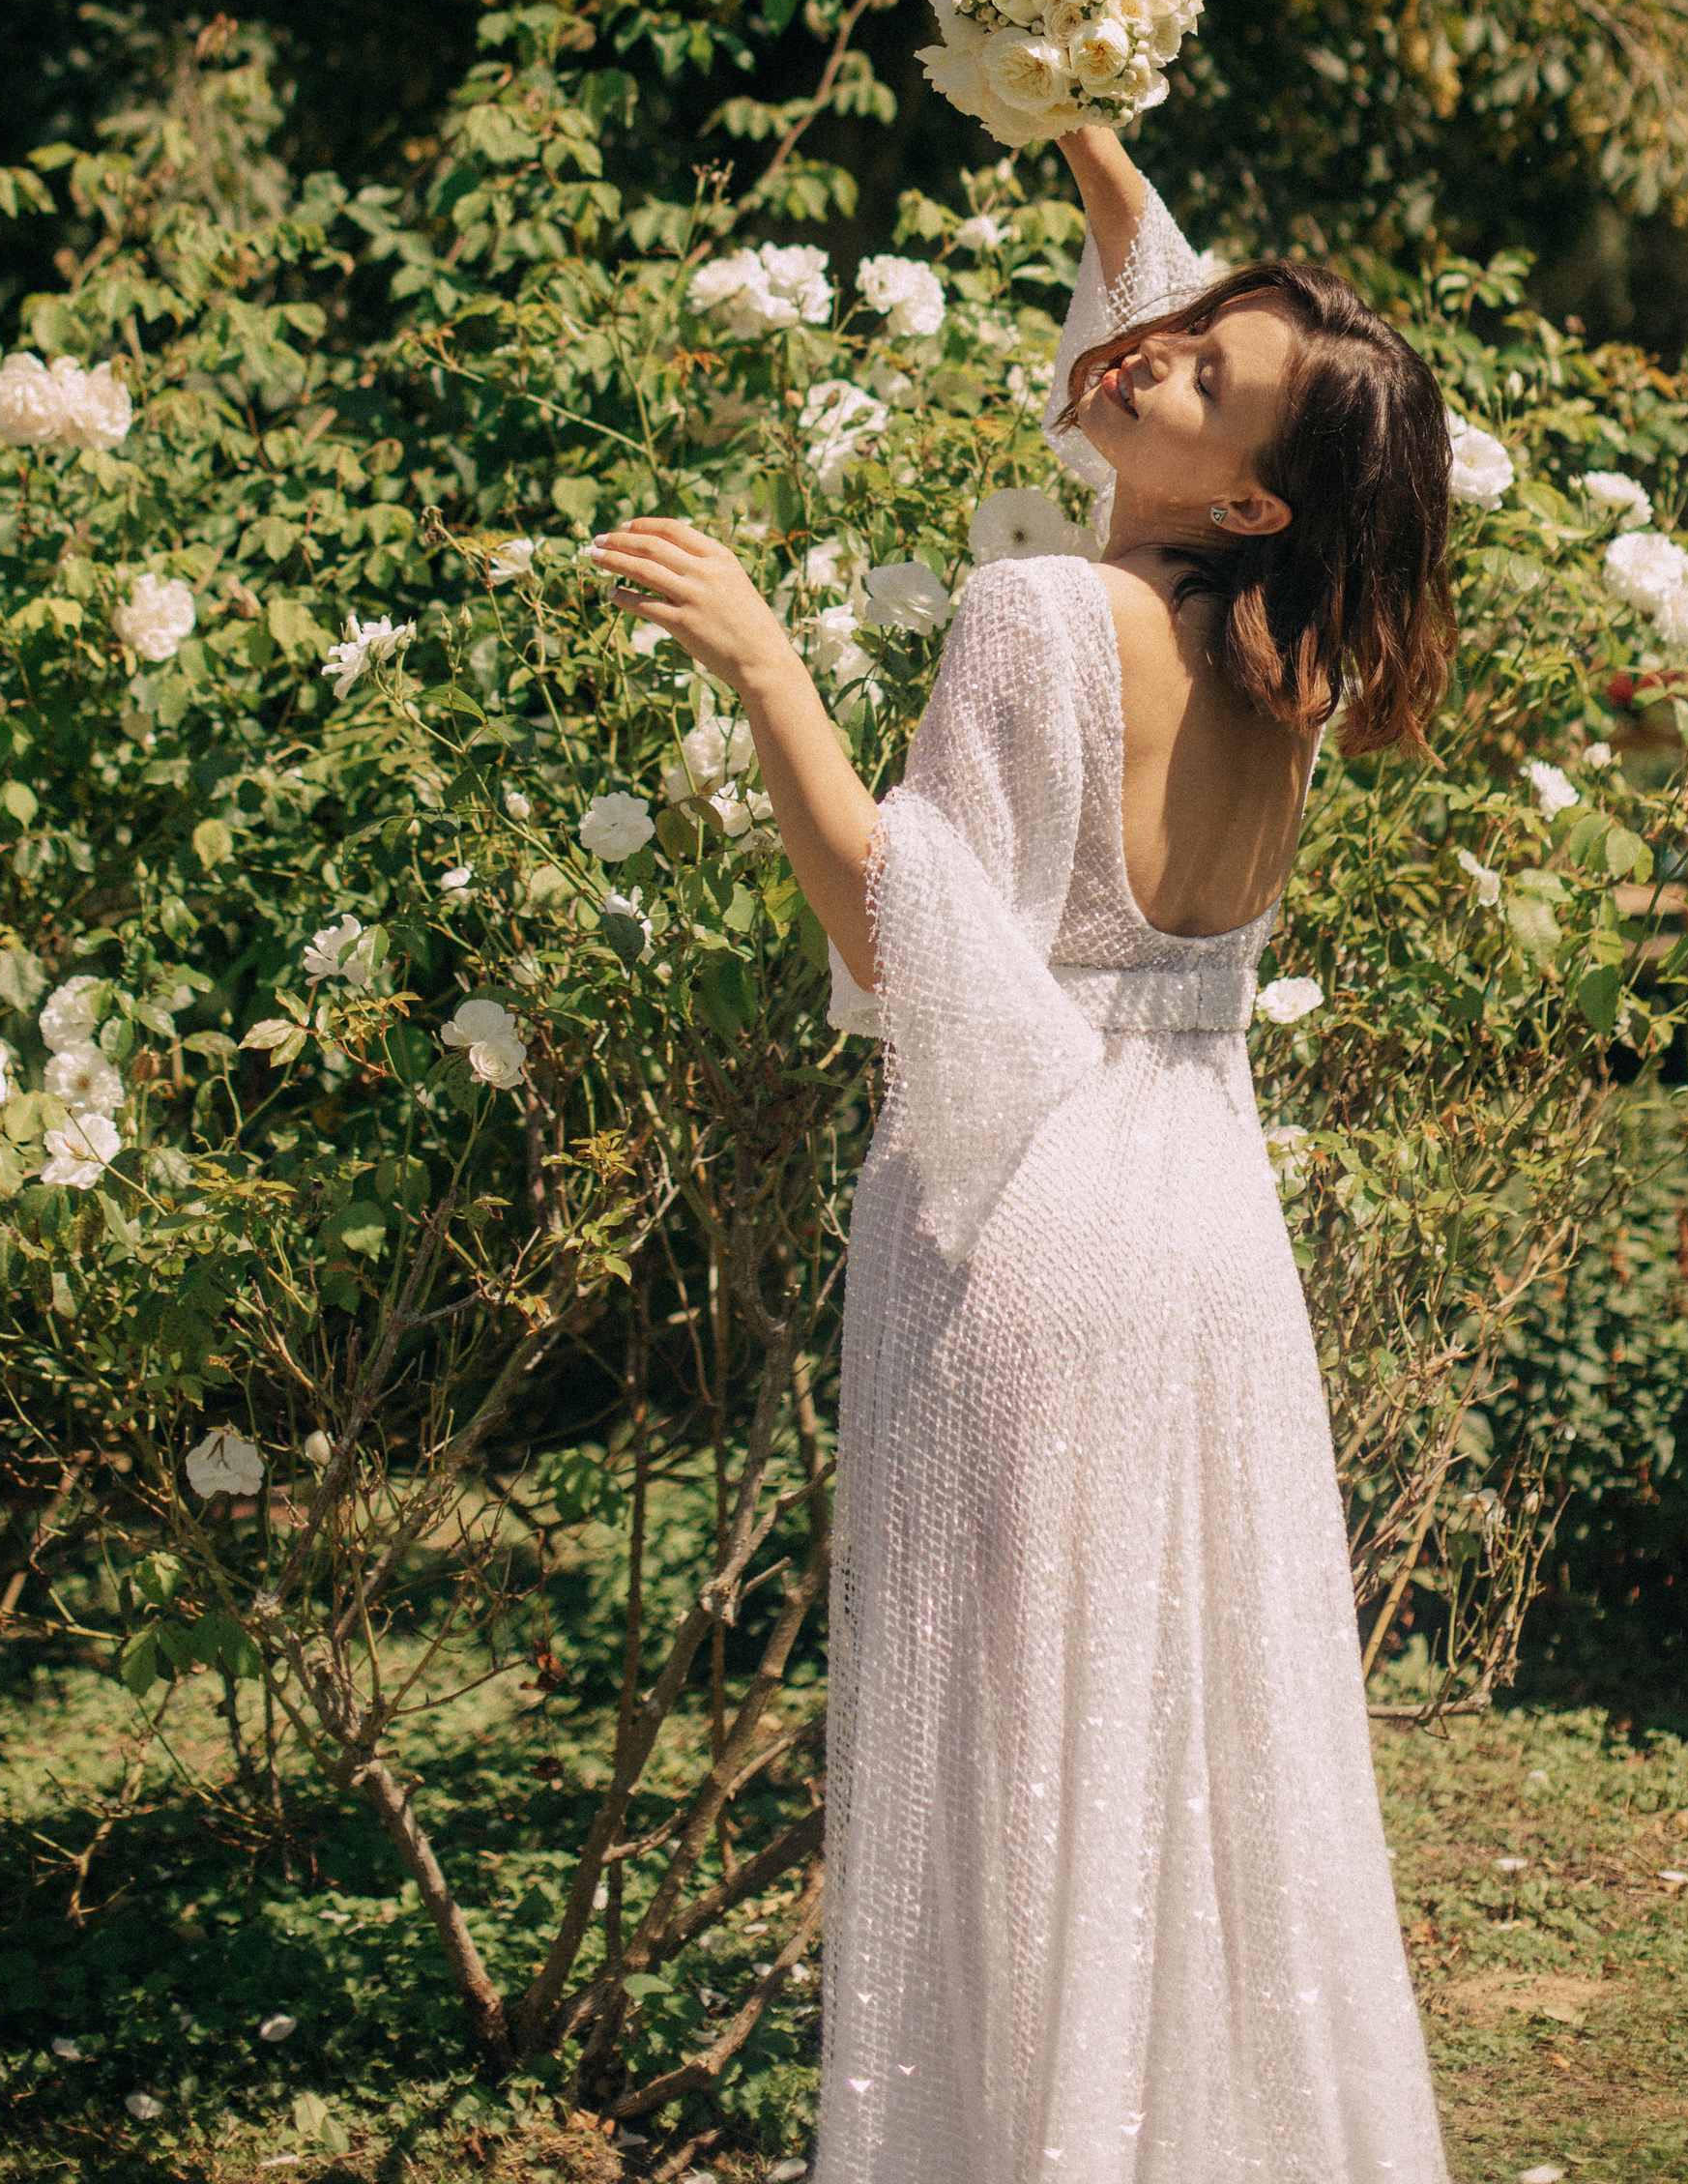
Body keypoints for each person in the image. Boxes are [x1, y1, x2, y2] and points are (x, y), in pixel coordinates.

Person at [589, 125, 1457, 2184]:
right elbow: (1201, 398)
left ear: (1244, 488)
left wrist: (766, 662)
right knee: (1175, 1751)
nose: (1138, 361)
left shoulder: (1035, 617)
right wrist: (1091, 149)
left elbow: (918, 958)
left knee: (1002, 1771)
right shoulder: (1283, 648)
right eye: (1162, 328)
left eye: (1193, 374)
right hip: (1205, 1244)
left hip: (1028, 1236)